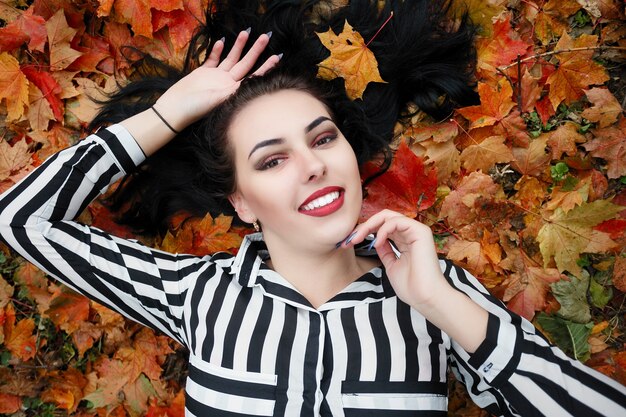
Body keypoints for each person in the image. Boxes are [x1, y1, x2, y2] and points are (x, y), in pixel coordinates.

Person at [1, 1, 625, 416]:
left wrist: (440, 304)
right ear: (241, 202)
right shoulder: (193, 293)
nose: (312, 164)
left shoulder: (435, 290)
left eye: (323, 139)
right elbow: (21, 220)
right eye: (271, 160)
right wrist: (167, 114)